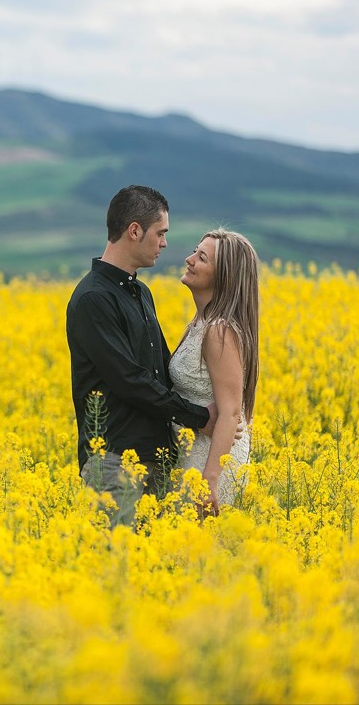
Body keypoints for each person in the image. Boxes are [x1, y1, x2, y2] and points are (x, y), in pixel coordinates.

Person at [66, 185, 219, 527]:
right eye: (160, 233)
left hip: (157, 459)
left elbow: (160, 372)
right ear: (135, 231)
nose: (165, 243)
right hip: (114, 461)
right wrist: (197, 416)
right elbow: (129, 380)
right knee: (115, 570)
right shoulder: (94, 299)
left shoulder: (141, 293)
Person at [170, 229, 260, 514]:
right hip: (191, 454)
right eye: (195, 251)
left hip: (209, 462)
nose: (189, 259)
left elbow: (231, 411)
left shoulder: (219, 331)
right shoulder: (201, 323)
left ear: (223, 277)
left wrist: (209, 481)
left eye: (202, 257)